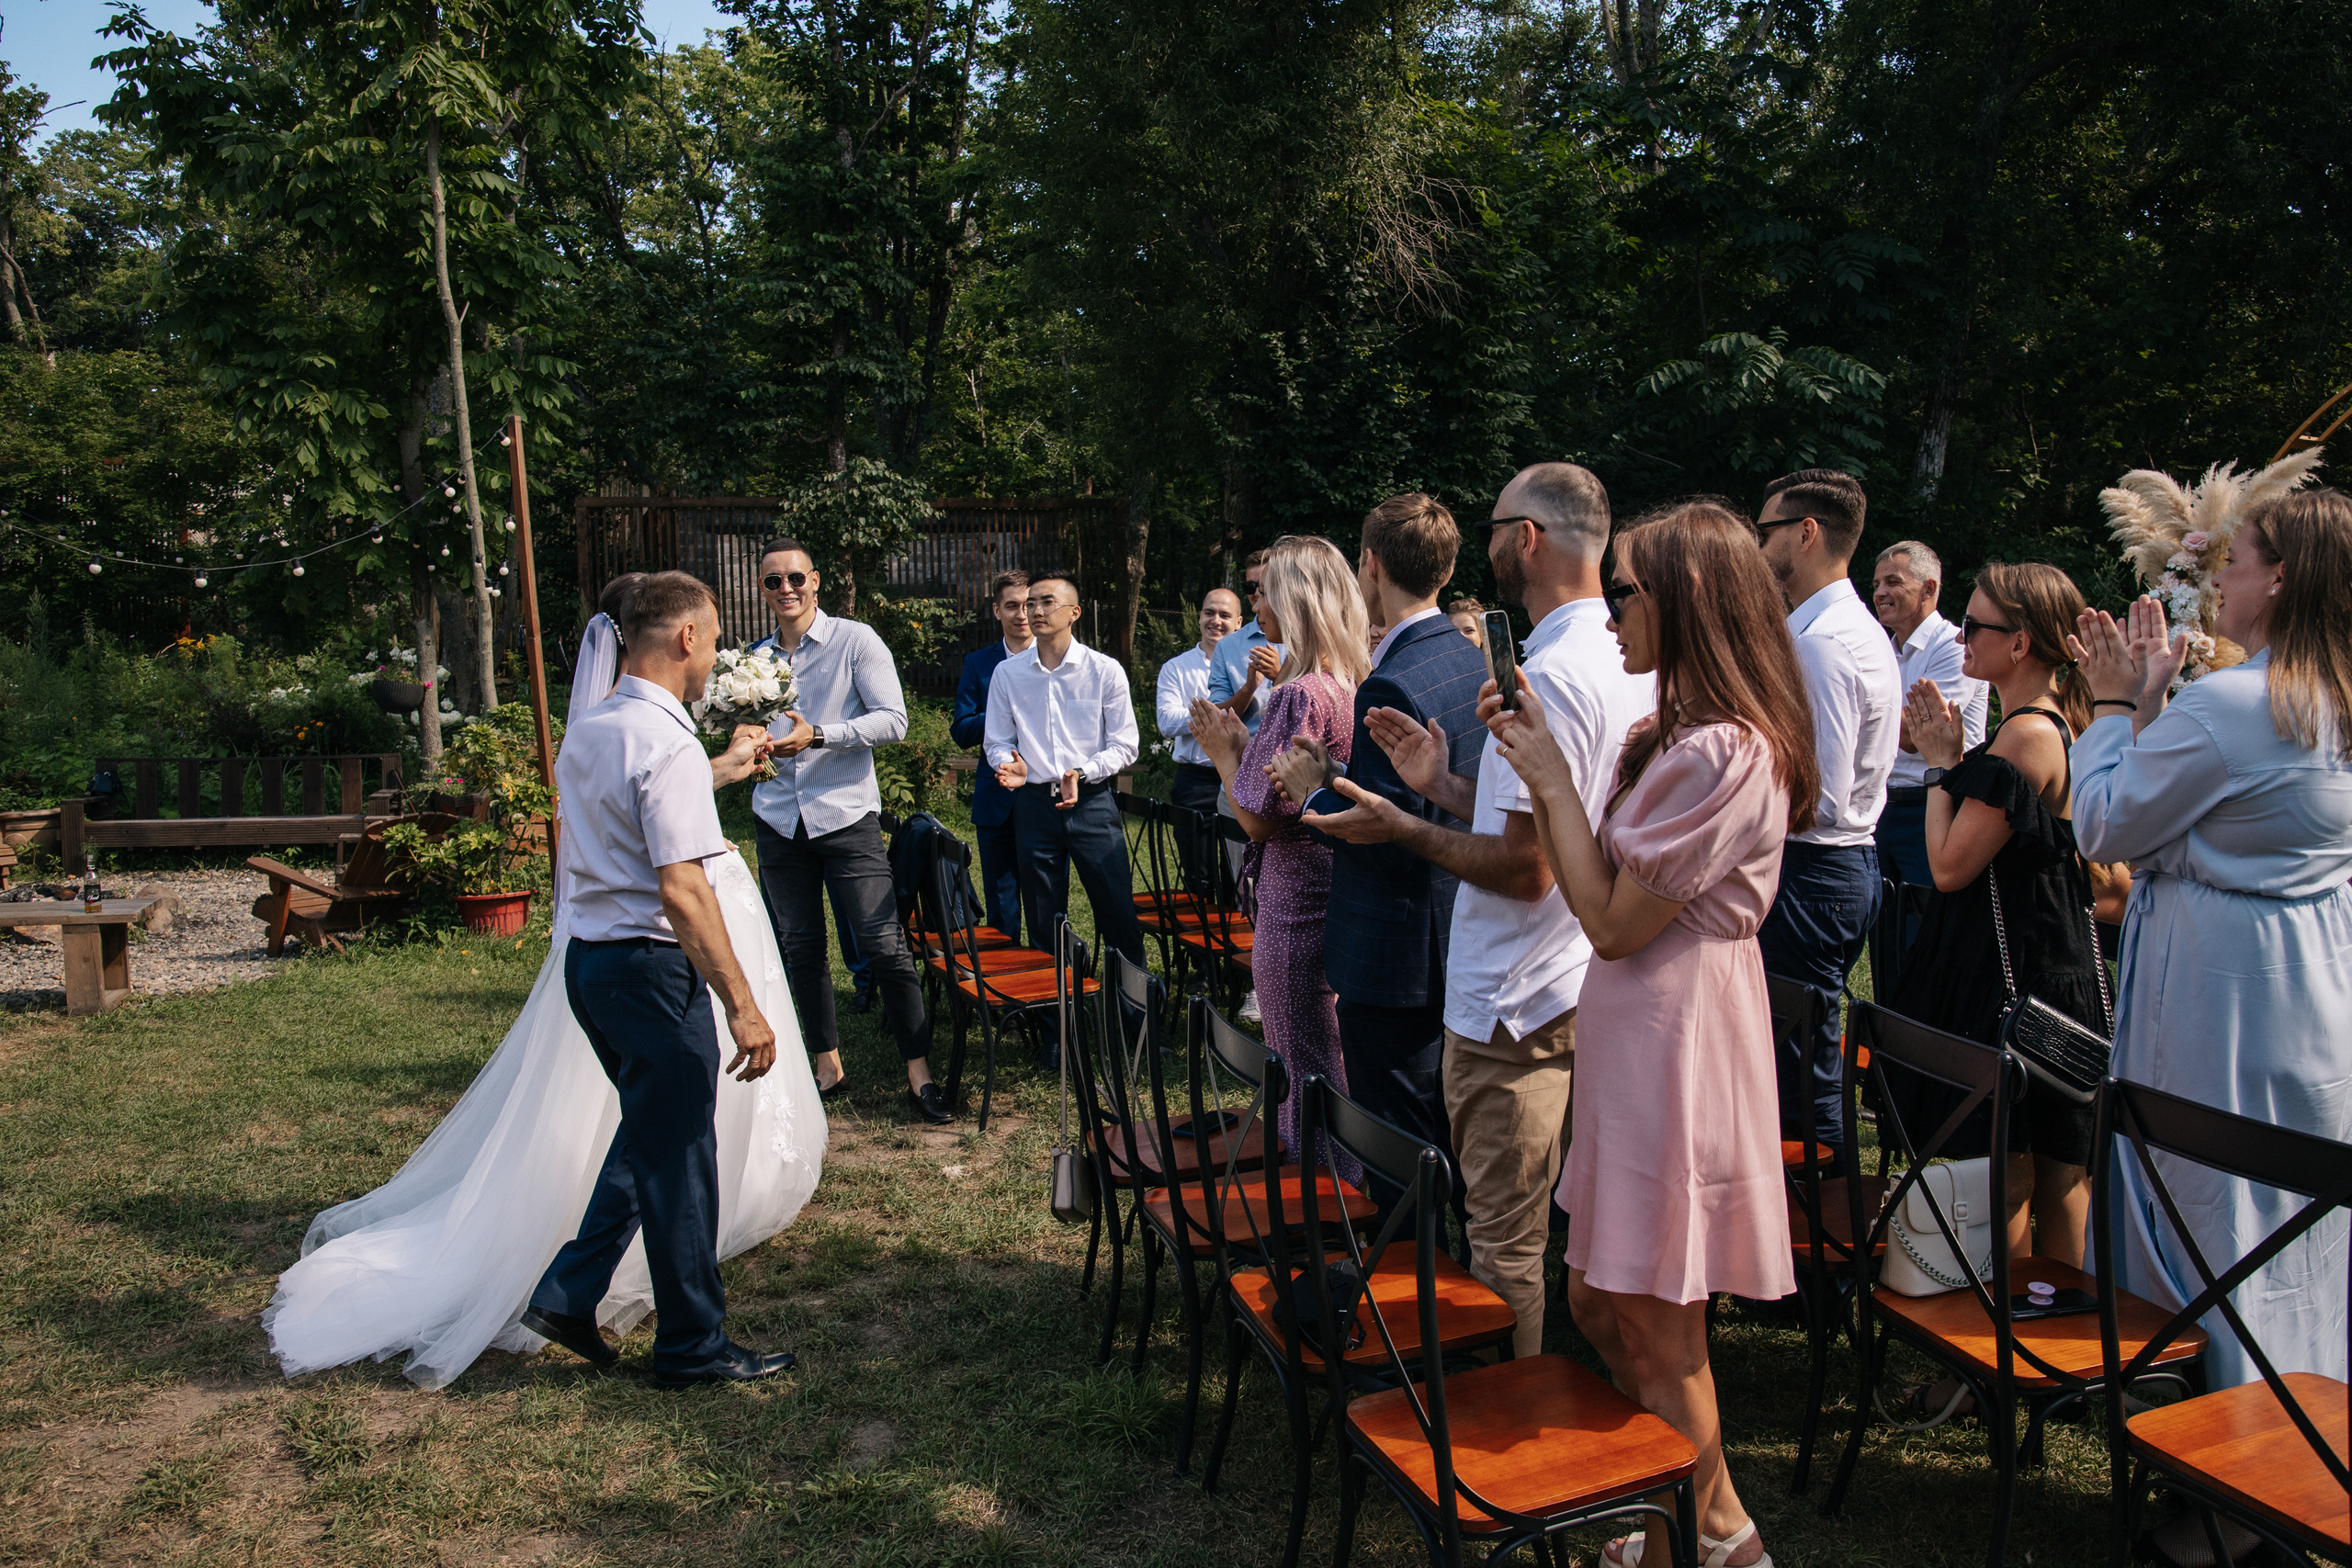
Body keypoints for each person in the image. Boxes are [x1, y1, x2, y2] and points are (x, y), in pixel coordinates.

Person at [267, 586, 822, 1389]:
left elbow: (640, 809)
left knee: (651, 1132)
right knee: (682, 1160)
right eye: (712, 642)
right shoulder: (662, 742)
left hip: (592, 968)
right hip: (650, 969)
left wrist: (728, 767)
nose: (714, 658)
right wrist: (742, 1003)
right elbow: (683, 888)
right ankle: (694, 1345)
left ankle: (569, 1292)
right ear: (688, 635)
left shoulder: (592, 727)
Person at [1484, 501, 1815, 1568]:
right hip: (1639, 1035)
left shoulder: (1722, 751)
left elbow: (1614, 922)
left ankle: (1711, 1533)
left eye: (1627, 590)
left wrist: (1545, 776)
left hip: (1678, 1036)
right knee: (1594, 1288)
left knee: (1658, 1313)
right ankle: (1681, 1509)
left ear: (1689, 604)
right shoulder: (1662, 732)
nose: (1612, 607)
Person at [1284, 464, 1652, 1357]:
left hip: (1511, 997)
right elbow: (1558, 828)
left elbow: (1528, 870)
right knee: (1547, 1225)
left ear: (1525, 536)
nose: (1483, 544)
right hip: (1570, 976)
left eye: (1493, 524)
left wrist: (1401, 825)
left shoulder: (1555, 677)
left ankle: (1487, 1436)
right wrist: (1447, 785)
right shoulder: (1618, 658)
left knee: (1502, 1241)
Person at [2070, 488, 2352, 1403]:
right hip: (2310, 982)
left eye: (2233, 563)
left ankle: (2219, 1448)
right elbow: (2203, 817)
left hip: (2217, 989)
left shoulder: (2235, 704)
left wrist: (2113, 708)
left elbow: (2106, 825)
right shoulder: (2331, 697)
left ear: (2277, 578)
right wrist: (2155, 705)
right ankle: (2298, 1415)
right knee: (2294, 1216)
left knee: (2214, 1207)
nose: (2220, 581)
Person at [1888, 562, 2107, 1281]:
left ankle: (2019, 1345)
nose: (1960, 634)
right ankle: (2048, 1344)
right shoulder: (2046, 725)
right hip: (2046, 967)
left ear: (2020, 645)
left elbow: (1949, 866)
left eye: (1975, 623)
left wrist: (1941, 766)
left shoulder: (2024, 739)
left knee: (2027, 1172)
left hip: (2027, 985)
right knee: (2051, 1166)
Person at [1281, 492, 1490, 1219]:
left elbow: (1382, 830)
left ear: (1368, 566)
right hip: (1455, 928)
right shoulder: (1469, 658)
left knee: (1399, 1143)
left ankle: (1413, 1291)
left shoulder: (1392, 681)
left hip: (1392, 949)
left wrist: (1311, 793)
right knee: (1442, 1124)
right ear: (1448, 565)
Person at [744, 538, 947, 1124]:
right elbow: (749, 729)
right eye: (772, 581)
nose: (785, 589)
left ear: (816, 581)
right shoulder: (753, 660)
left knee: (884, 943)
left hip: (844, 814)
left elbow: (893, 720)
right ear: (763, 589)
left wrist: (820, 735)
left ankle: (919, 1071)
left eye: (795, 579)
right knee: (801, 947)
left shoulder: (854, 641)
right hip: (778, 816)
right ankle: (826, 1063)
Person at [1189, 537, 1366, 1179]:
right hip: (1333, 891)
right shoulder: (1347, 681)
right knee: (1329, 1056)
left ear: (1295, 597)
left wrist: (1221, 750)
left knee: (1297, 1062)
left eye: (1266, 589)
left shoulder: (1297, 693)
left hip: (1292, 898)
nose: (1257, 599)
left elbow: (1260, 818)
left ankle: (1317, 1213)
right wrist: (1244, 742)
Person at [1754, 468, 1900, 1151]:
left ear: (1805, 533)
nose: (1758, 548)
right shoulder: (1831, 627)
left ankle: (1822, 1244)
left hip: (1813, 873)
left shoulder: (1823, 641)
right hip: (1837, 869)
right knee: (1796, 1059)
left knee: (1800, 1077)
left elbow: (1822, 795)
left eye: (1766, 532)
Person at [983, 571, 1148, 1010]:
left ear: (1074, 612)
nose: (1034, 611)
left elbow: (1126, 744)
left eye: (1046, 603)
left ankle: (1135, 1021)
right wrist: (1008, 763)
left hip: (1092, 804)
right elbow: (996, 739)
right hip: (1034, 805)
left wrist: (1084, 770)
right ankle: (1054, 1027)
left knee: (1117, 914)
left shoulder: (1103, 670)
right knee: (1044, 921)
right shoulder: (1008, 673)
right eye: (1028, 604)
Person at [1871, 541, 1987, 889]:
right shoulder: (1883, 650)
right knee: (1884, 931)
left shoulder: (1954, 647)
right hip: (1884, 805)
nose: (1880, 593)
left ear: (1929, 589)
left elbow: (1918, 736)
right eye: (1876, 584)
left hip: (1934, 806)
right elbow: (1905, 728)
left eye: (1893, 582)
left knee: (1926, 926)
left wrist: (1853, 718)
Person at [951, 570, 1035, 942]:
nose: (1021, 615)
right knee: (1002, 900)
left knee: (1045, 897)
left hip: (1041, 793)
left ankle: (1050, 978)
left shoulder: (1057, 661)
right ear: (996, 610)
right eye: (1012, 606)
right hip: (995, 793)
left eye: (1028, 605)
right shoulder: (979, 663)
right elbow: (962, 730)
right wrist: (1004, 710)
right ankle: (1005, 987)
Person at [1156, 585, 1244, 893]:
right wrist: (1223, 711)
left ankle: (1238, 942)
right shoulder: (1176, 669)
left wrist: (1201, 712)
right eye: (1209, 612)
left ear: (1240, 622)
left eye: (1224, 615)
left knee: (1242, 879)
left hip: (1240, 778)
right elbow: (1167, 723)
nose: (1215, 621)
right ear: (1199, 617)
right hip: (1195, 783)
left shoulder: (1250, 667)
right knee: (1199, 878)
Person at [1205, 547, 1280, 730]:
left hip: (1293, 753)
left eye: (1262, 588)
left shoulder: (1302, 640)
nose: (1255, 594)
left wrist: (1280, 676)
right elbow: (1217, 716)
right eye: (1249, 587)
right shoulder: (1227, 646)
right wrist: (1248, 689)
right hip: (1246, 753)